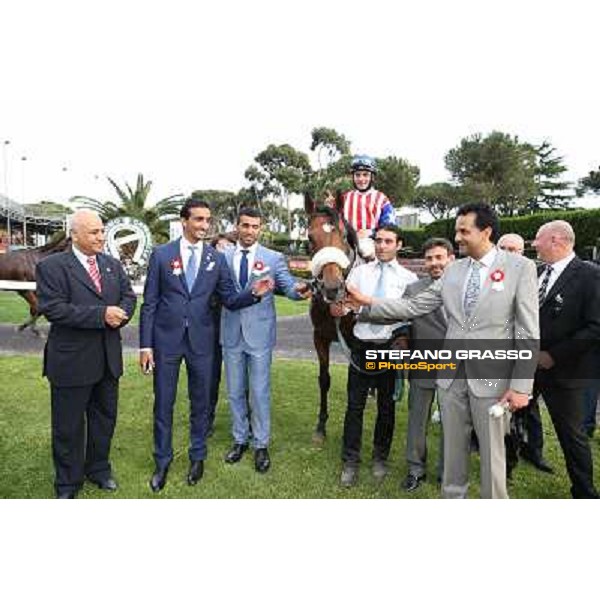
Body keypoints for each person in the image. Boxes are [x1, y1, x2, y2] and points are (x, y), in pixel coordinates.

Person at [346, 202, 539, 499]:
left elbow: (527, 330)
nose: (458, 237)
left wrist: (522, 384)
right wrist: (367, 301)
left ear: (486, 231)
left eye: (464, 231)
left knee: (492, 453)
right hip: (450, 377)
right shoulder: (454, 271)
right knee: (453, 449)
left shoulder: (520, 268)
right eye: (456, 231)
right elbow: (413, 306)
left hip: (491, 377)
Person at [139, 199, 273, 492]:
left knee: (201, 404)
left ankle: (197, 457)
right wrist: (145, 346)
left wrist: (255, 294)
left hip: (203, 343)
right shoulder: (162, 255)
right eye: (198, 219)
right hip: (166, 343)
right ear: (184, 220)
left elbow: (229, 298)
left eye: (207, 220)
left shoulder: (216, 258)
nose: (204, 225)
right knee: (164, 404)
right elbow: (149, 303)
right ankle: (162, 461)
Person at [36, 209, 136, 499]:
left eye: (102, 231)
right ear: (74, 234)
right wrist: (102, 315)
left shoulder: (112, 265)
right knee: (68, 427)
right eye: (94, 232)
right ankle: (68, 483)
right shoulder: (52, 267)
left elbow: (128, 297)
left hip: (107, 360)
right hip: (71, 361)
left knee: (104, 419)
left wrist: (123, 315)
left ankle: (99, 469)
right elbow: (53, 308)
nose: (101, 237)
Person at [221, 207, 311, 473]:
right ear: (237, 226)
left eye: (255, 226)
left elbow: (288, 287)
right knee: (235, 391)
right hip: (230, 334)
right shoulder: (222, 256)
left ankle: (261, 444)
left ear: (261, 228)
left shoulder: (272, 258)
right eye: (245, 225)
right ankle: (240, 440)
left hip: (259, 335)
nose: (249, 231)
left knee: (259, 392)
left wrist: (302, 290)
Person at [331, 225, 417, 487]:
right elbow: (345, 306)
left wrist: (400, 334)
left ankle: (380, 456)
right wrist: (339, 308)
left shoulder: (409, 279)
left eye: (388, 241)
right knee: (354, 407)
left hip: (390, 348)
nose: (381, 246)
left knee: (386, 408)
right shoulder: (358, 273)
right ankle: (350, 460)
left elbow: (407, 315)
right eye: (378, 241)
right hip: (361, 347)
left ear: (398, 244)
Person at [532, 220, 600, 498]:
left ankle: (584, 493)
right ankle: (512, 465)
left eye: (538, 238)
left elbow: (595, 327)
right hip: (527, 365)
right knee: (513, 418)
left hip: (566, 371)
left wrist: (553, 355)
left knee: (572, 436)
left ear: (556, 240)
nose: (534, 244)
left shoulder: (589, 275)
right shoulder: (534, 273)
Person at [497, 232, 553, 474]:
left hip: (528, 356)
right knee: (497, 409)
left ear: (522, 253)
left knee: (528, 408)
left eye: (514, 250)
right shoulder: (488, 275)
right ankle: (503, 459)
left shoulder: (531, 275)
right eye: (504, 248)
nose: (509, 254)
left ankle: (533, 452)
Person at [402, 238, 454, 492]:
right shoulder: (413, 290)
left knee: (452, 423)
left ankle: (447, 473)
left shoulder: (468, 288)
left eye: (439, 257)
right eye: (430, 258)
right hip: (422, 363)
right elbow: (402, 322)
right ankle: (415, 469)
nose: (434, 263)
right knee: (417, 420)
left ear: (450, 259)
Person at [326, 154, 395, 259]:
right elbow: (333, 221)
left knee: (365, 249)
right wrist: (329, 208)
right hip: (345, 241)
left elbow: (390, 226)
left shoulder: (382, 199)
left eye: (365, 174)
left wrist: (371, 232)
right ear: (352, 177)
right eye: (357, 175)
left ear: (372, 177)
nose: (361, 179)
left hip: (370, 241)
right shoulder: (344, 198)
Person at [206, 233, 236, 436]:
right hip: (212, 329)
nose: (224, 252)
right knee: (210, 376)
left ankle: (246, 420)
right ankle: (207, 418)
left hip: (237, 329)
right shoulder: (207, 270)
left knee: (241, 379)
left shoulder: (239, 271)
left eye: (228, 248)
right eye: (220, 247)